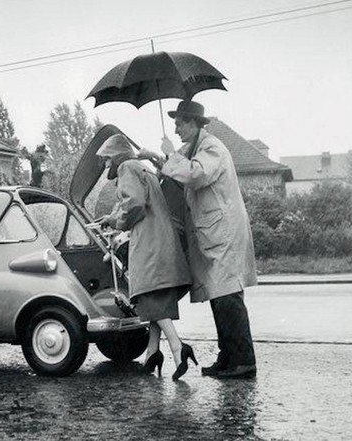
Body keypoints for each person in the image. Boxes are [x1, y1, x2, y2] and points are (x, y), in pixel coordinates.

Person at [139, 100, 257, 379]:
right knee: (219, 296)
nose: (176, 128)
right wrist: (157, 157)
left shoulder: (211, 147)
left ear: (194, 123)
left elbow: (196, 173)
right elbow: (181, 172)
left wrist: (168, 154)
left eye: (180, 122)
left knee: (228, 296)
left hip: (223, 232)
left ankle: (243, 361)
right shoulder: (195, 149)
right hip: (215, 232)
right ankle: (228, 358)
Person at [96, 133, 196, 380]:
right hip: (162, 237)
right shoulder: (144, 169)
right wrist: (112, 218)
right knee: (155, 297)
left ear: (116, 156)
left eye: (107, 160)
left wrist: (118, 223)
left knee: (148, 295)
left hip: (148, 240)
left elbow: (135, 204)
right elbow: (142, 200)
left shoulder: (127, 167)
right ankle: (152, 353)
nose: (106, 165)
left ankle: (178, 347)